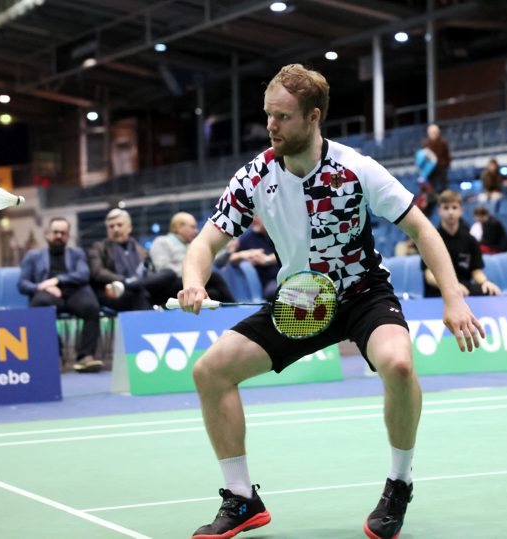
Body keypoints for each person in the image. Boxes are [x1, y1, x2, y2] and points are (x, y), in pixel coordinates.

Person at [176, 64, 485, 539]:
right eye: (268, 115)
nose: (271, 126)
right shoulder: (256, 175)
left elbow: (422, 228)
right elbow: (205, 242)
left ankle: (399, 484)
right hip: (301, 299)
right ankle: (241, 499)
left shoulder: (355, 169)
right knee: (210, 372)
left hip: (362, 292)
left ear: (313, 117)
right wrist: (194, 281)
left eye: (282, 117)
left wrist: (454, 298)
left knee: (399, 365)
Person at [18, 217, 103, 373]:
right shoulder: (33, 256)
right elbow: (22, 284)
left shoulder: (77, 253)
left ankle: (85, 357)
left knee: (92, 307)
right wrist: (41, 286)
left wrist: (57, 280)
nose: (59, 236)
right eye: (55, 232)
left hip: (74, 292)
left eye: (63, 233)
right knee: (37, 306)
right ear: (47, 234)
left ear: (68, 236)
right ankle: (54, 354)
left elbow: (83, 274)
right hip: (47, 294)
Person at [88, 208, 177, 311]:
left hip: (143, 287)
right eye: (111, 226)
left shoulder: (141, 250)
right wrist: (125, 280)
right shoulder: (98, 248)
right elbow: (97, 272)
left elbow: (149, 271)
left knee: (170, 275)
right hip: (115, 291)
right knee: (137, 293)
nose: (115, 229)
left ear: (129, 227)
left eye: (119, 225)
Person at [422, 190, 502, 297]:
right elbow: (429, 275)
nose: (450, 212)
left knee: (488, 290)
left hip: (464, 289)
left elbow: (476, 271)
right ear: (439, 211)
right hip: (439, 290)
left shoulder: (470, 240)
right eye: (446, 208)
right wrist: (451, 287)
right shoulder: (430, 240)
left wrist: (485, 282)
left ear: (461, 210)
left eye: (454, 207)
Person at [150, 212, 235, 302]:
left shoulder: (189, 245)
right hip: (170, 283)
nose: (196, 231)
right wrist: (191, 270)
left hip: (188, 280)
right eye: (192, 227)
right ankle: (235, 307)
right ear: (179, 228)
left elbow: (213, 259)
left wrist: (228, 252)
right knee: (214, 277)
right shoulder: (162, 242)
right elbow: (163, 268)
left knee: (213, 293)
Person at [224, 215, 279, 301]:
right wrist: (245, 254)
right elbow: (231, 258)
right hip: (270, 282)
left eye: (257, 216)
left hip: (287, 277)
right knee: (277, 291)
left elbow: (289, 253)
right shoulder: (248, 237)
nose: (254, 219)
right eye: (253, 216)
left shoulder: (278, 235)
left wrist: (267, 259)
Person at [422, 123, 451, 191]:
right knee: (431, 190)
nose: (434, 134)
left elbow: (447, 156)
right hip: (430, 172)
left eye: (435, 132)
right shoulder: (425, 144)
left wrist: (445, 165)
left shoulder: (443, 143)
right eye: (432, 132)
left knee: (443, 189)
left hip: (442, 171)